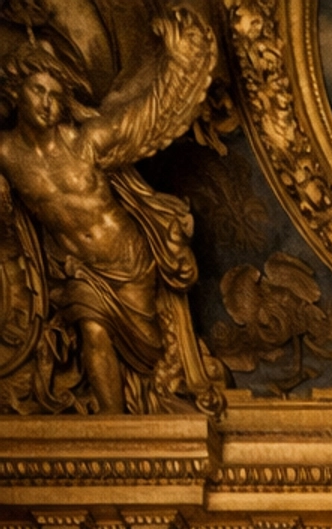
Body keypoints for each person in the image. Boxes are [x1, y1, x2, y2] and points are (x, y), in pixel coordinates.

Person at [0, 13, 217, 413]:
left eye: (54, 94)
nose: (48, 104)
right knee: (93, 332)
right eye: (38, 92)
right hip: (80, 272)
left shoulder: (87, 142)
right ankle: (113, 426)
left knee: (151, 353)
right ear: (16, 91)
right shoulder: (7, 156)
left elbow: (147, 115)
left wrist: (180, 59)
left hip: (128, 260)